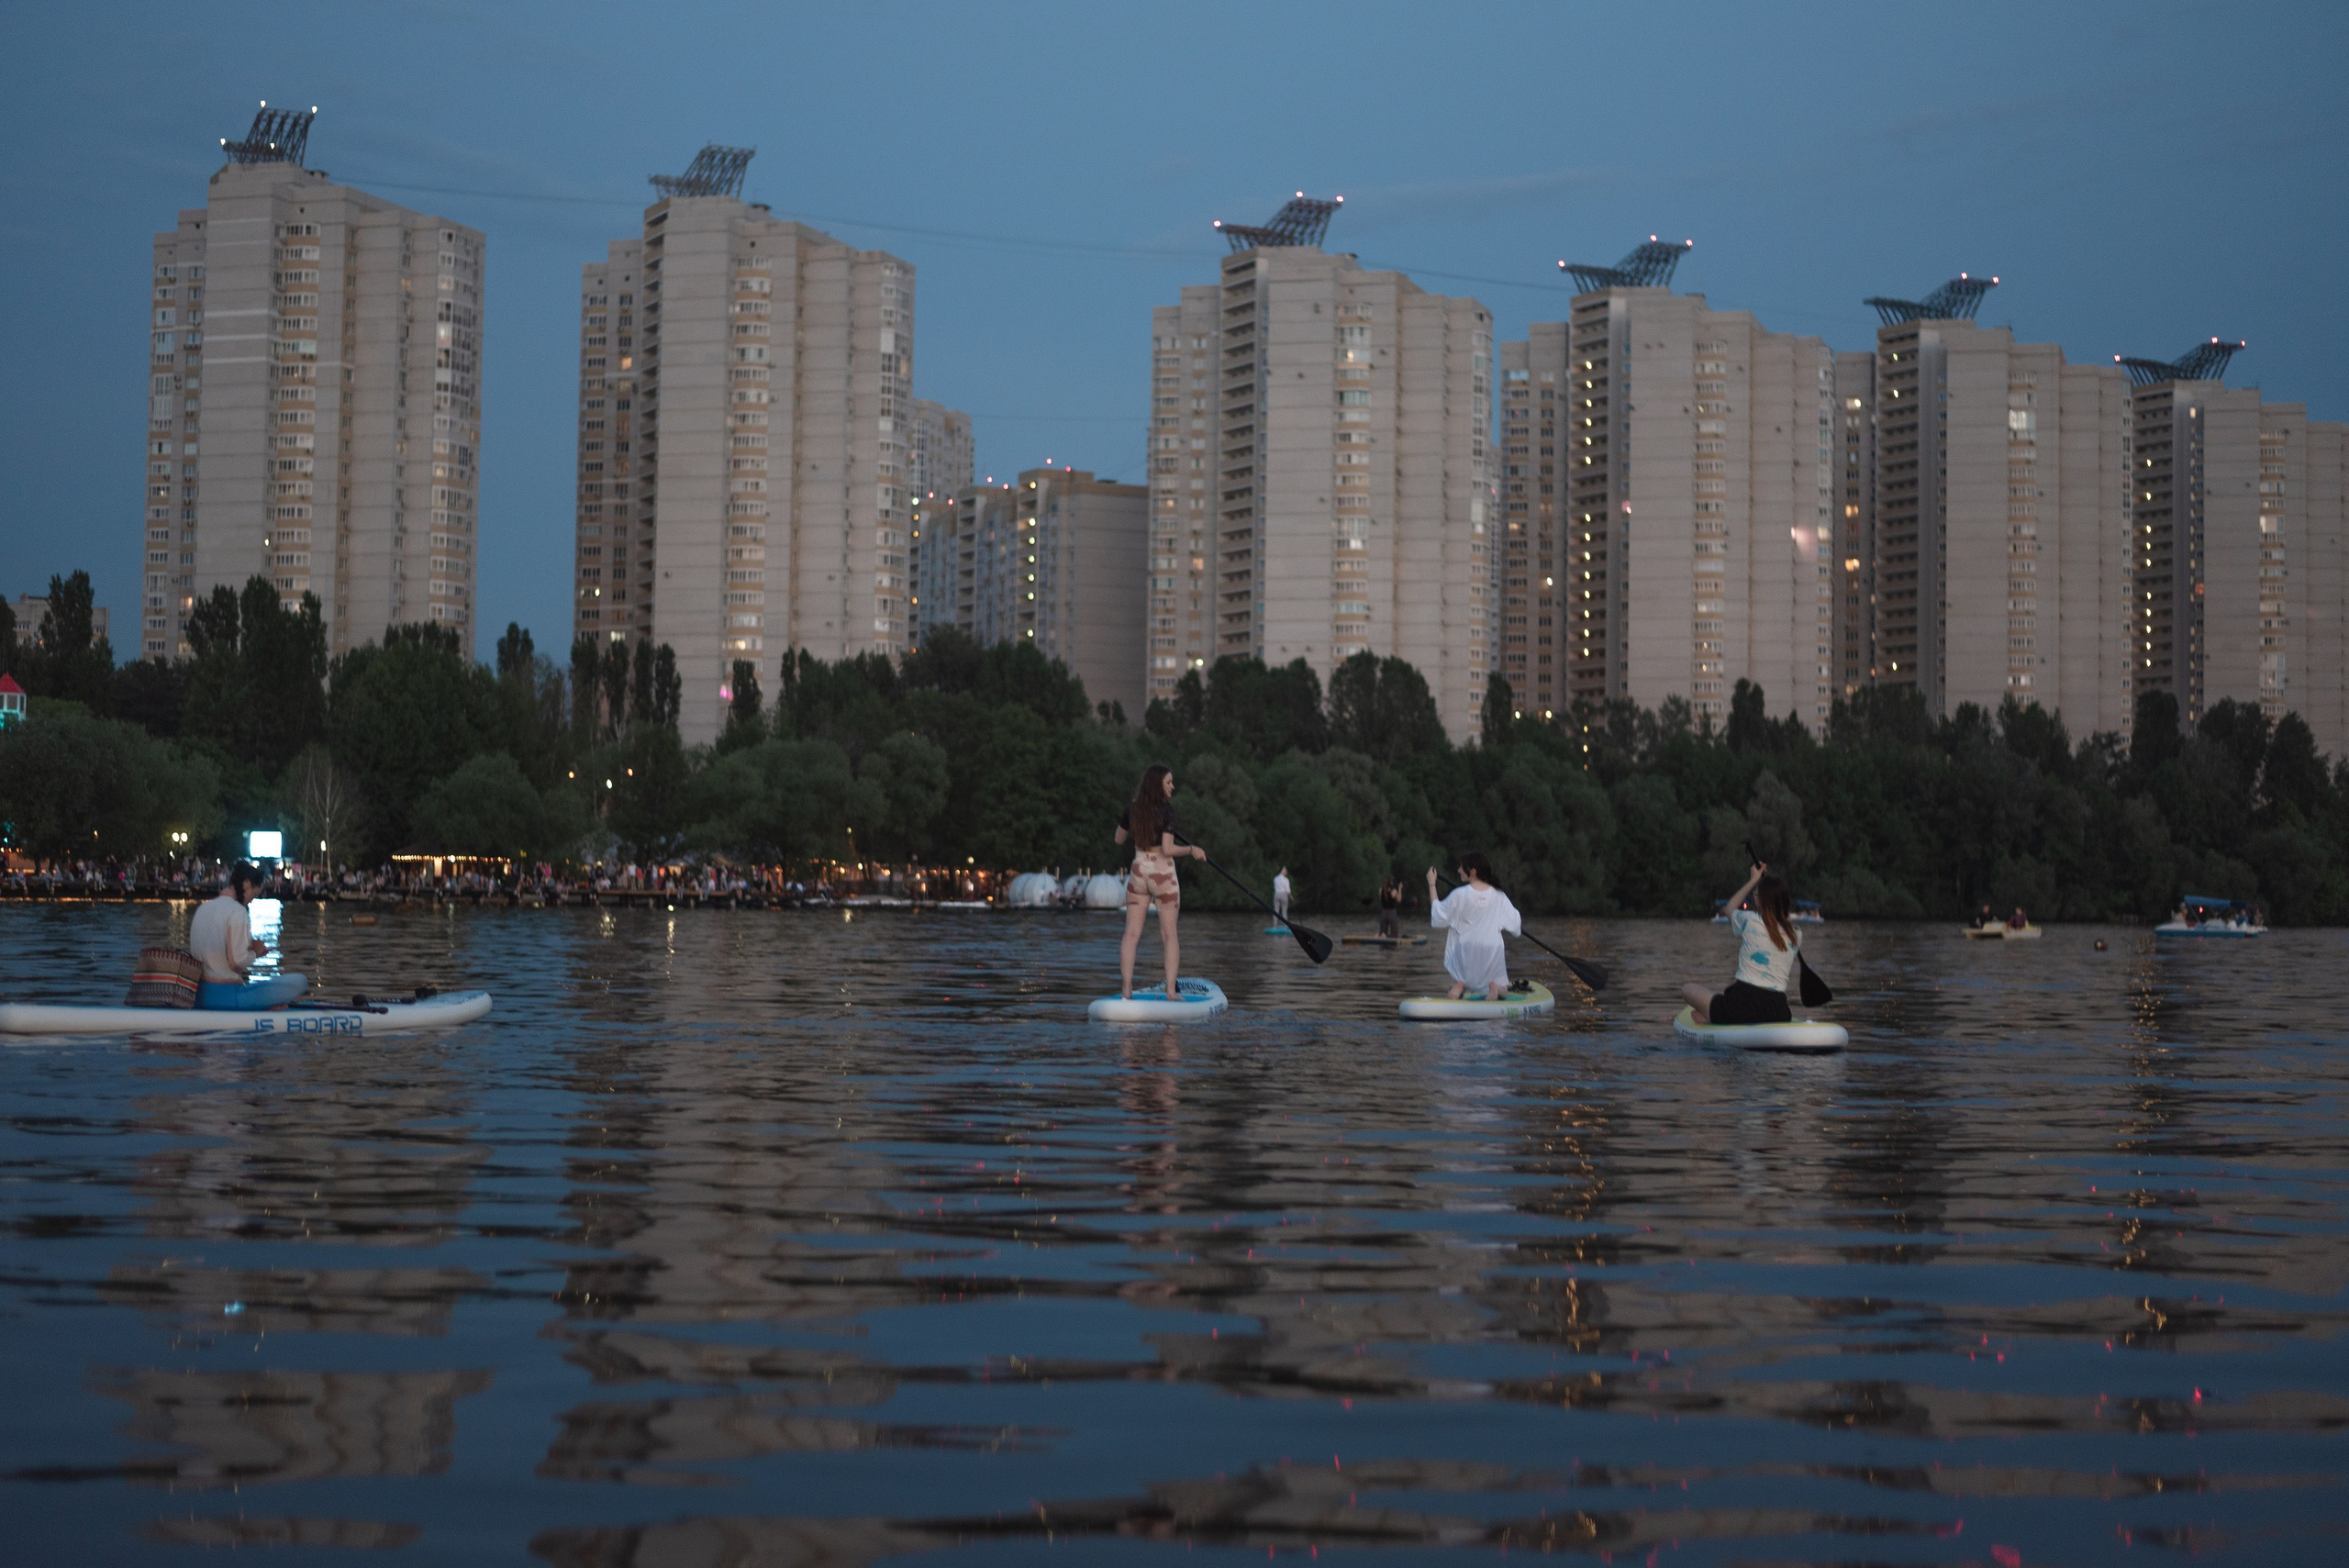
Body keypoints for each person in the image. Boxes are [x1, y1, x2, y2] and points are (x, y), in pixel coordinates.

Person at [1114, 763, 1205, 1001]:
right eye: (1168, 782)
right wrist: (1192, 849)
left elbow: (1118, 839)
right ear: (1158, 785)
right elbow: (1167, 849)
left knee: (1131, 934)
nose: (1172, 786)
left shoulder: (1132, 809)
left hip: (1138, 872)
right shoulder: (1167, 811)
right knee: (1169, 935)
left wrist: (1133, 821)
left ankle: (1126, 990)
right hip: (1163, 875)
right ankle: (1171, 993)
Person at [1682, 859, 1798, 1025]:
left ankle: (1710, 1017)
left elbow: (1729, 909)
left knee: (1687, 989)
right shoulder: (1796, 934)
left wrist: (1753, 880)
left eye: (1756, 895)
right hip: (1779, 1011)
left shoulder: (1750, 921)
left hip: (1740, 1008)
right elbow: (1783, 917)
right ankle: (1711, 1015)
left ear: (1761, 900)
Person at [187, 862, 308, 1010]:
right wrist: (255, 953)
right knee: (300, 981)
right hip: (226, 998)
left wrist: (247, 948)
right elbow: (236, 961)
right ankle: (261, 1006)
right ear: (246, 885)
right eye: (254, 894)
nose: (252, 900)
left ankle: (263, 1005)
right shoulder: (237, 911)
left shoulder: (203, 908)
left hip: (198, 996)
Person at [1426, 852, 1521, 1001]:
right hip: (1492, 952)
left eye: (1462, 867)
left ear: (1473, 872)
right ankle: (1495, 988)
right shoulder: (1499, 895)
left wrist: (1432, 884)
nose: (1458, 870)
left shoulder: (1459, 894)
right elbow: (1516, 927)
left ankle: (1460, 985)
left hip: (1466, 952)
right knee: (1503, 987)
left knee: (1460, 978)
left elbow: (1438, 915)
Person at [1377, 875, 1403, 939]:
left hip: (1383, 913)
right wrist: (1400, 889)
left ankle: (1383, 945)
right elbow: (1399, 900)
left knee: (1383, 932)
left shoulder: (1380, 890)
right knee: (1394, 933)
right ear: (1391, 883)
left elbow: (1381, 899)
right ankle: (1391, 946)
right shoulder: (1394, 891)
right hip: (1392, 913)